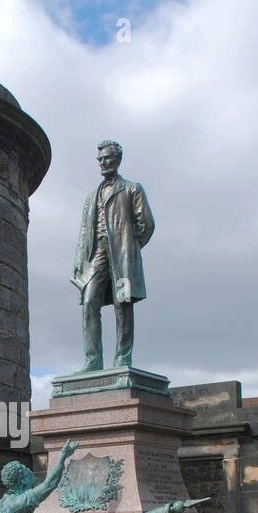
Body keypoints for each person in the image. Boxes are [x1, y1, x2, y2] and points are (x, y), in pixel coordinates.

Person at [71, 140, 155, 371]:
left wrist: (130, 247)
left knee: (122, 304)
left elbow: (146, 224)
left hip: (122, 253)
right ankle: (92, 360)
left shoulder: (132, 188)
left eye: (107, 158)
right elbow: (83, 232)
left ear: (117, 160)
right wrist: (79, 259)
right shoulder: (91, 197)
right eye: (100, 159)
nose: (103, 162)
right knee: (89, 302)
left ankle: (123, 357)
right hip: (96, 253)